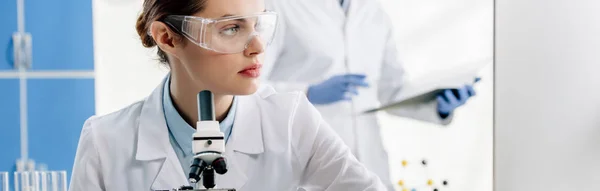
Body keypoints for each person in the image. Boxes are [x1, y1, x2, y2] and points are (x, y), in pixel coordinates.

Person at [68, 0, 387, 190]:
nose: (258, 47)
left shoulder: (290, 121)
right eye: (231, 29)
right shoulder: (105, 141)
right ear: (167, 38)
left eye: (258, 26)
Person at [263, 0, 478, 189]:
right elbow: (251, 86)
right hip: (305, 157)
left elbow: (392, 91)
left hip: (370, 160)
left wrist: (438, 105)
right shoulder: (281, 6)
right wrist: (308, 92)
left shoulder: (373, 11)